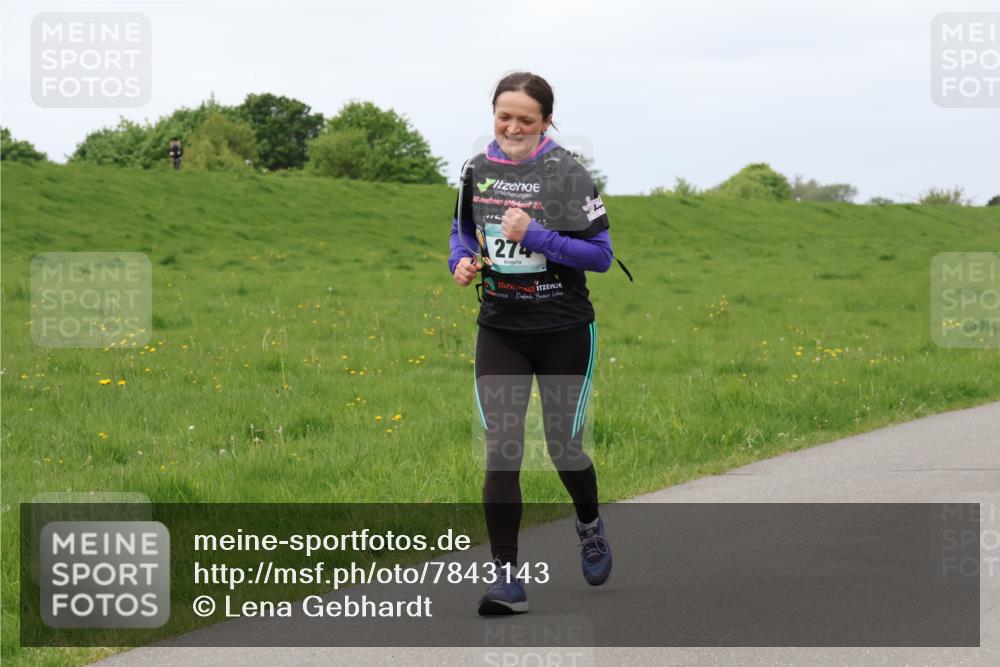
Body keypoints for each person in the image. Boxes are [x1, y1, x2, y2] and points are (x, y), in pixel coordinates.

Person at [448, 72, 614, 616]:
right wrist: (462, 261)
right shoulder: (477, 169)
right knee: (503, 451)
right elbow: (463, 232)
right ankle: (506, 580)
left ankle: (588, 523)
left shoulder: (567, 172)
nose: (513, 126)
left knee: (563, 447)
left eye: (526, 118)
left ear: (546, 121)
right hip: (501, 327)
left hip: (563, 327)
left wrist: (534, 235)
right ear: (492, 114)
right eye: (504, 115)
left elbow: (600, 256)